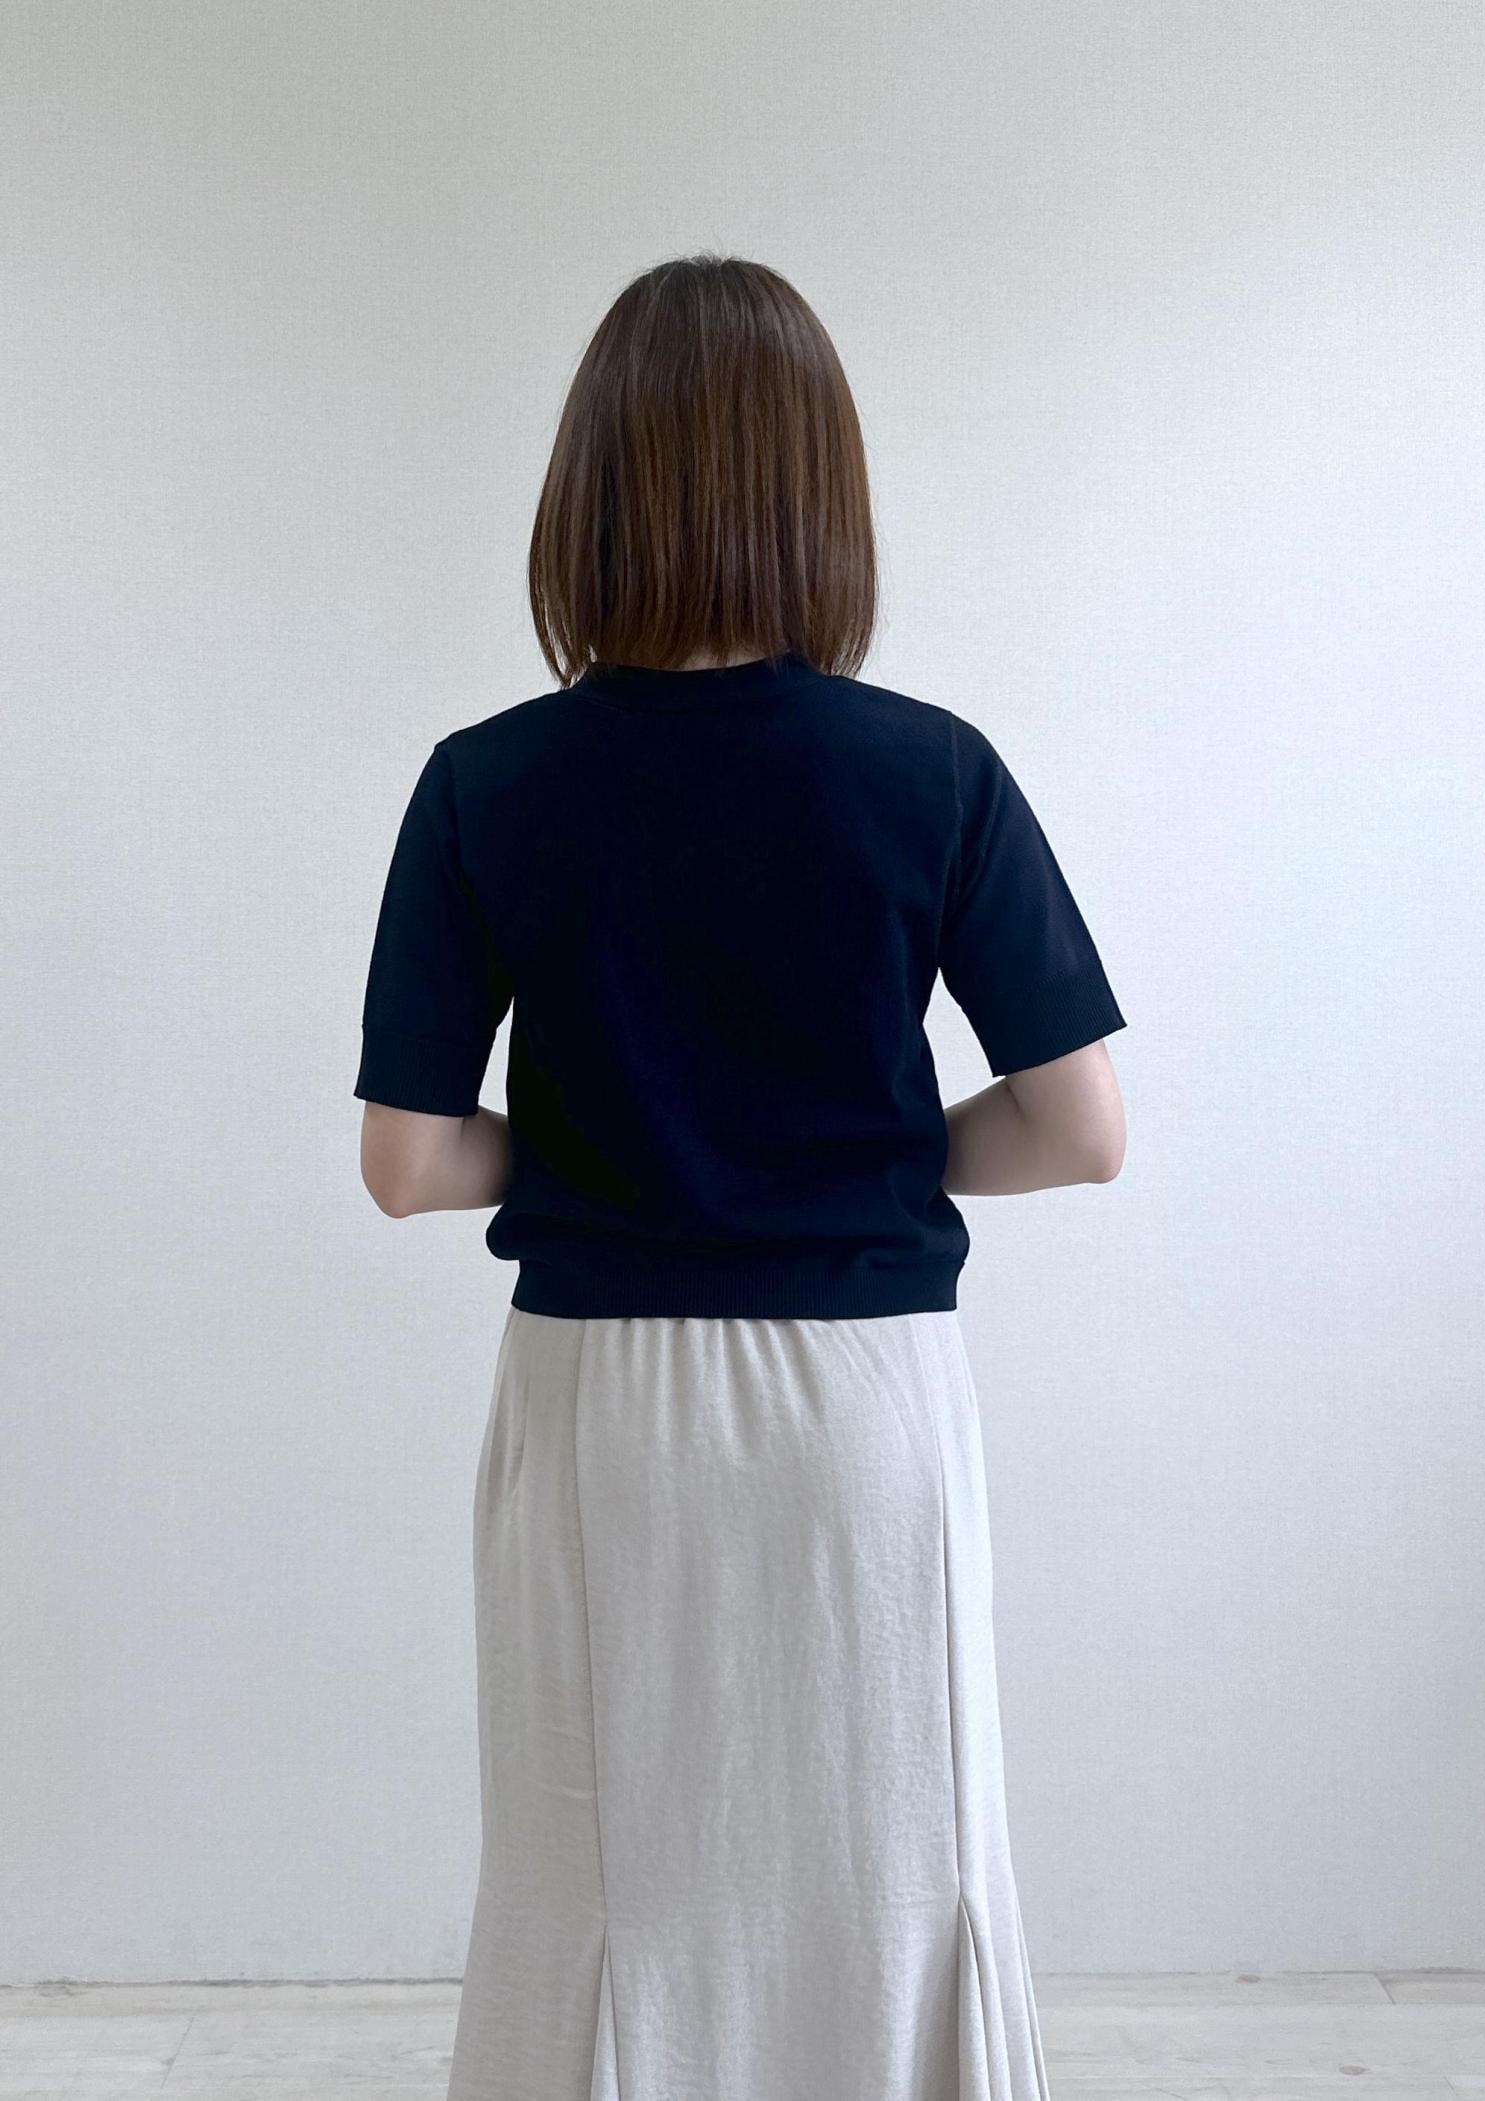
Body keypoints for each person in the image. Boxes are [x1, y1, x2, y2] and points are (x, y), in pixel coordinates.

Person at [353, 251, 1126, 2101]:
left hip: (601, 1416)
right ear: (819, 493)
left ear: (590, 491)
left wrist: (612, 1143)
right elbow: (1080, 1128)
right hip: (864, 1405)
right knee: (900, 1873)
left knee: (604, 1887)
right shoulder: (933, 774)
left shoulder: (483, 783)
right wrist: (864, 1146)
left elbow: (406, 1161)